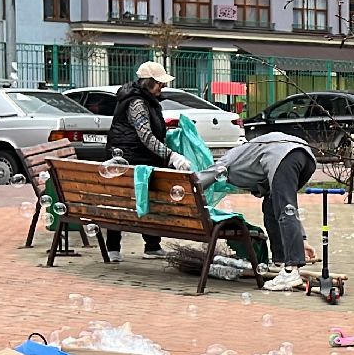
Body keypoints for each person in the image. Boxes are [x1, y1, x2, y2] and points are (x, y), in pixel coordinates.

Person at [196, 131, 318, 291]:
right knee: (272, 206)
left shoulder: (229, 159)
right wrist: (301, 240)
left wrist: (190, 187)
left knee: (282, 207)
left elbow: (206, 176)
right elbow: (289, 207)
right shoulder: (251, 155)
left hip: (284, 155)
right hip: (306, 157)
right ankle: (281, 261)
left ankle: (290, 271)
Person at [106, 61, 194, 257]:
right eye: (160, 84)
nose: (163, 87)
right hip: (131, 159)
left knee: (140, 199)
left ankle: (151, 246)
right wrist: (171, 156)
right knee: (123, 201)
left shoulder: (145, 99)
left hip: (137, 157)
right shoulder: (137, 102)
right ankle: (115, 248)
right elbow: (145, 136)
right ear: (149, 83)